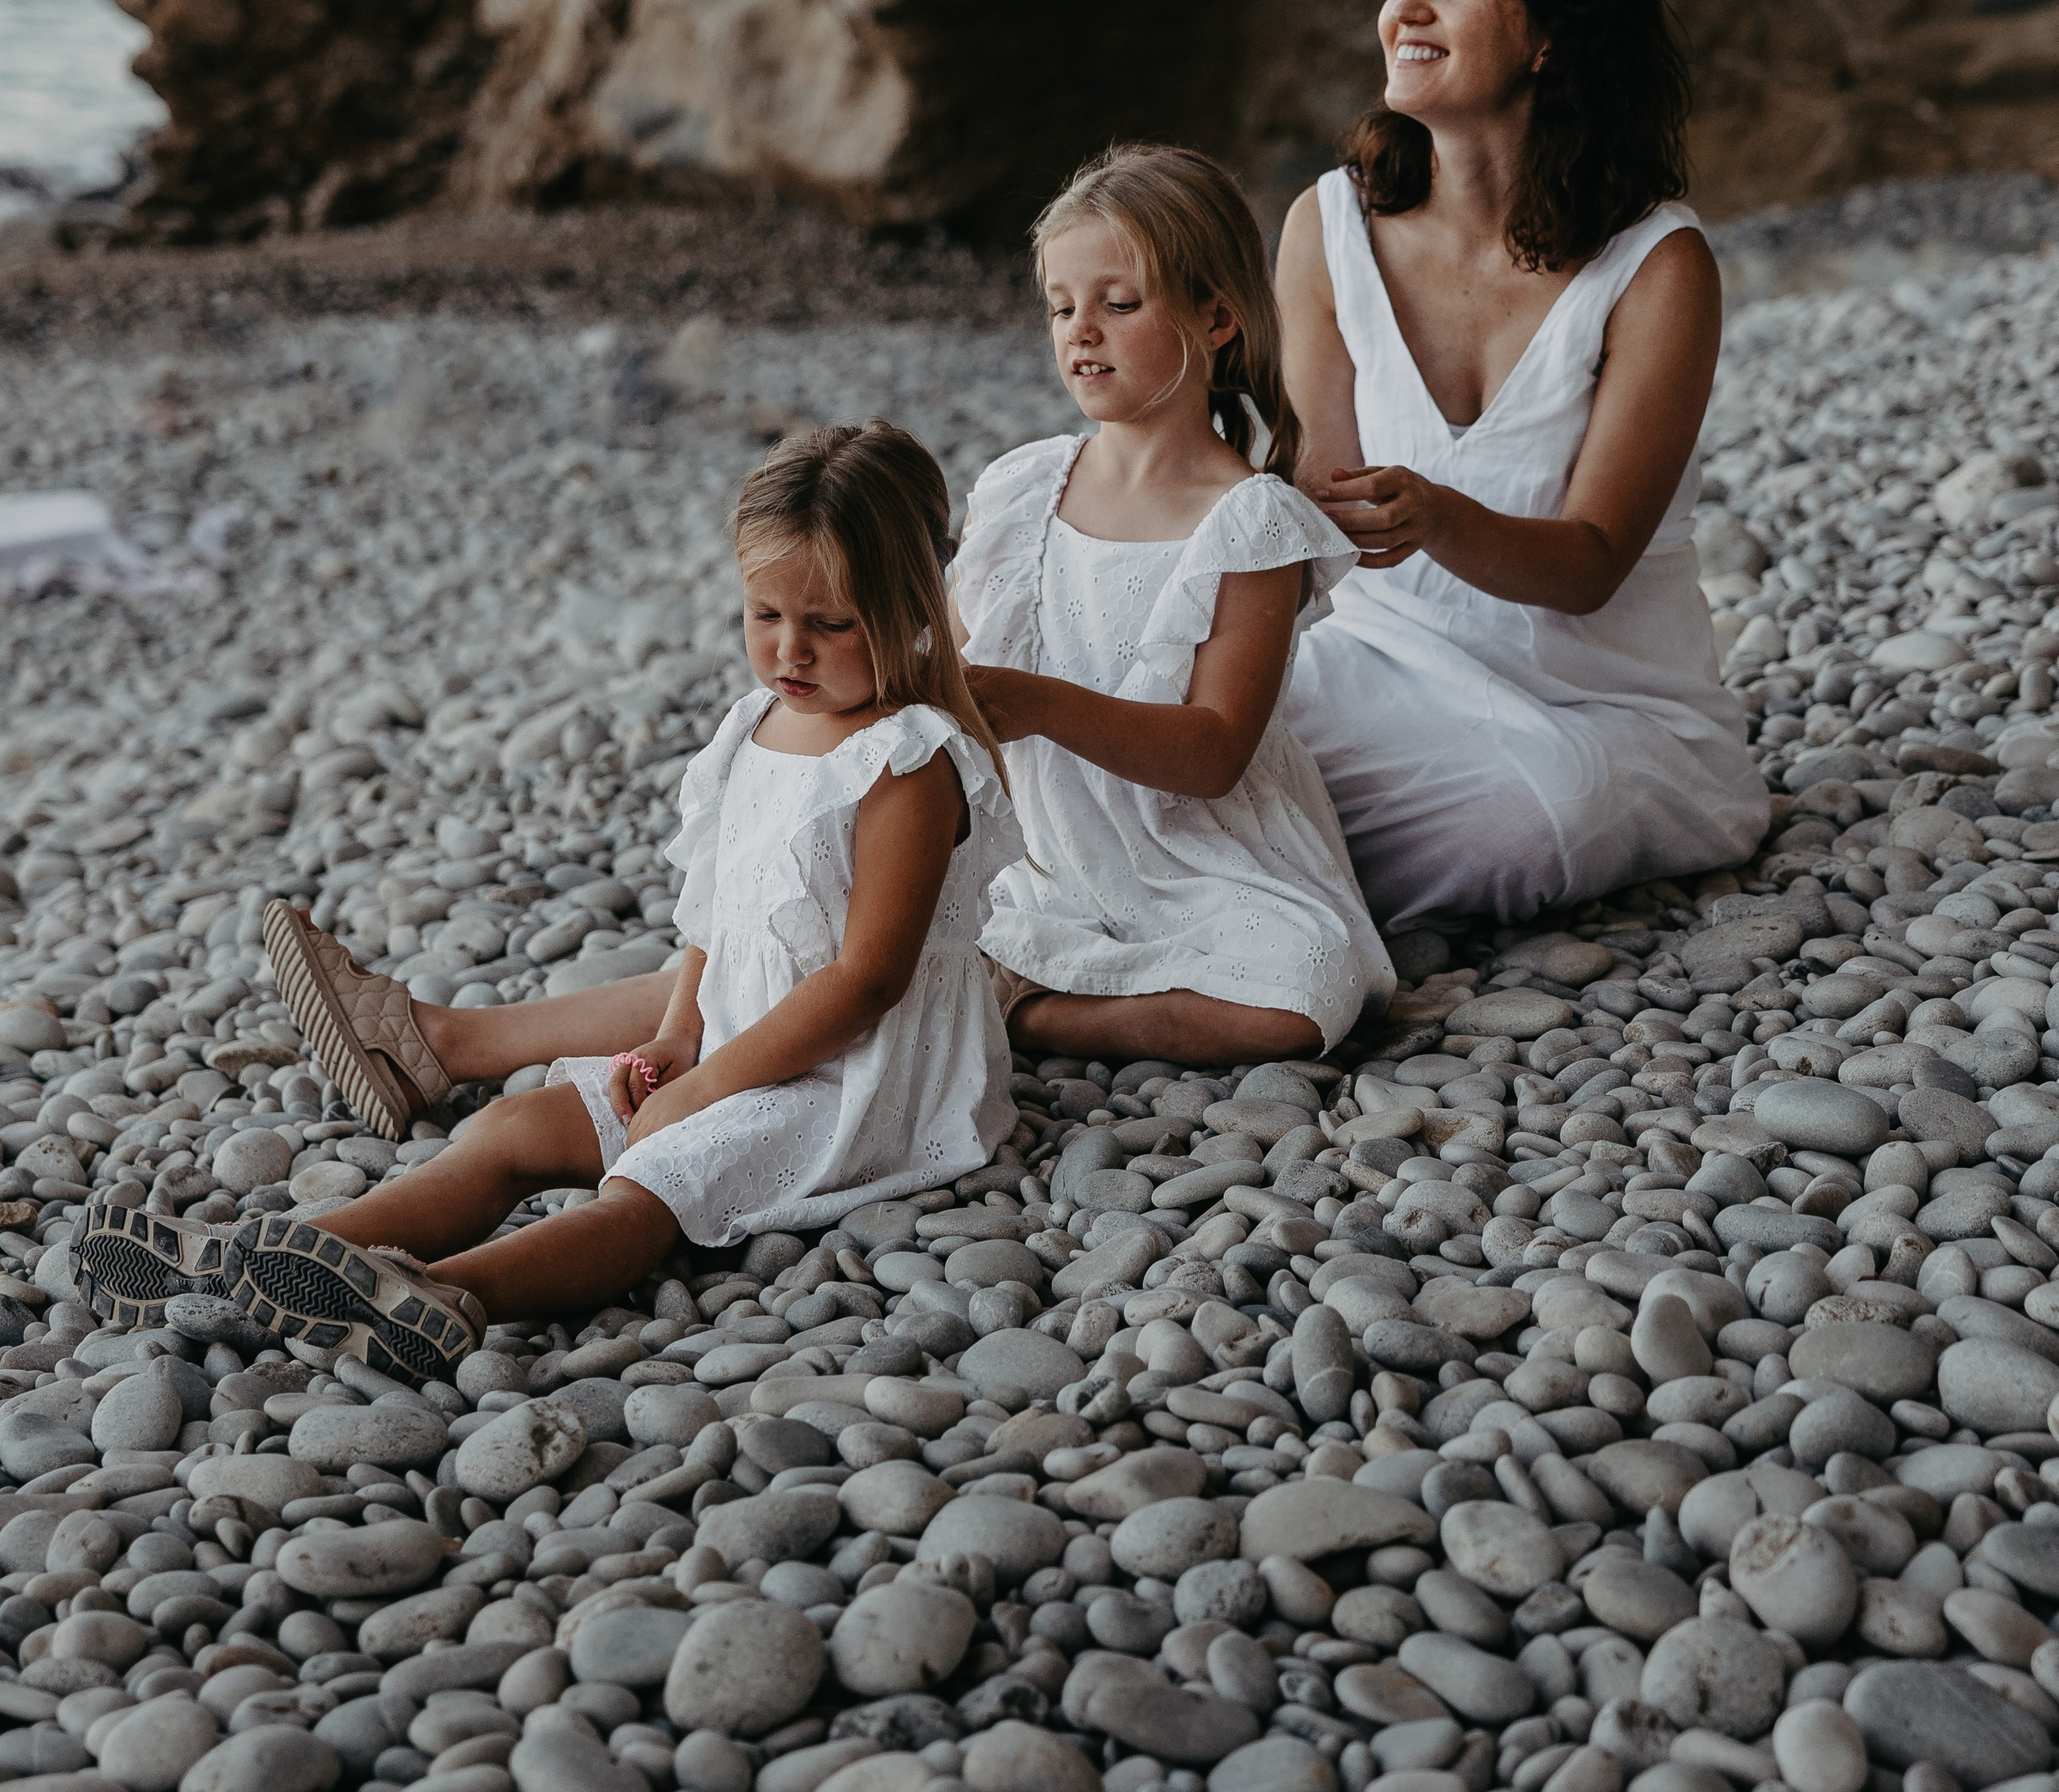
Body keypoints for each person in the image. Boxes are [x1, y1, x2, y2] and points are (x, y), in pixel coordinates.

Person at [77, 423, 1019, 1382]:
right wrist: (674, 1039)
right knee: (509, 1131)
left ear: (909, 609)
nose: (790, 650)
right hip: (732, 1045)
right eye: (764, 613)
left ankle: (436, 1292)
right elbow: (719, 916)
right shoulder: (757, 726)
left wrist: (703, 1092)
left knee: (647, 1189)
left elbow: (866, 982)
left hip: (851, 1081)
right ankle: (266, 1260)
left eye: (831, 624)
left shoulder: (904, 762)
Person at [1279, 0, 1769, 932]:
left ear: (1548, 36)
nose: (1406, 8)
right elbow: (1318, 507)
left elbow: (1589, 564)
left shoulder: (1656, 266)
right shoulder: (1327, 227)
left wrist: (1434, 516)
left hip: (1593, 708)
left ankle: (1263, 899)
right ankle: (1258, 902)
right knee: (1205, 731)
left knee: (1533, 819)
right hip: (1377, 661)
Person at [954, 143, 1392, 1068]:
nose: (1082, 332)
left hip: (1198, 862)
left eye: (1119, 304)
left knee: (1311, 989)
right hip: (1042, 851)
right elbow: (954, 684)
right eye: (1061, 307)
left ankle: (1017, 1012)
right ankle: (1000, 972)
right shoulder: (1021, 490)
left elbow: (1213, 755)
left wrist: (1040, 704)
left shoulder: (1252, 523)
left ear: (1216, 318)